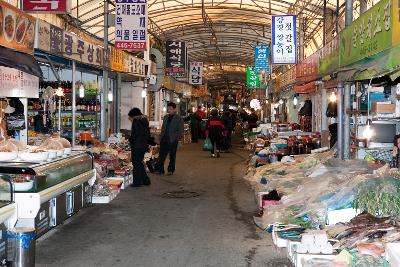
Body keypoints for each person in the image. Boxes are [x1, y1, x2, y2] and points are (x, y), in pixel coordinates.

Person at [157, 102, 184, 175]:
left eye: (171, 109)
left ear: (174, 109)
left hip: (172, 140)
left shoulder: (179, 118)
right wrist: (161, 137)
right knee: (161, 155)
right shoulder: (166, 117)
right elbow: (163, 128)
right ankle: (160, 170)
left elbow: (181, 130)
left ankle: (170, 170)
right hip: (164, 139)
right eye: (168, 109)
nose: (169, 110)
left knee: (172, 156)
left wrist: (176, 138)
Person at [128, 108, 151, 187]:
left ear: (134, 115)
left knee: (136, 164)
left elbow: (135, 134)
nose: (131, 119)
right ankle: (145, 180)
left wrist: (130, 140)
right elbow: (148, 134)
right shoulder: (145, 121)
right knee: (140, 163)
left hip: (137, 145)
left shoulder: (136, 121)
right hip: (143, 145)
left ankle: (137, 182)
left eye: (131, 117)